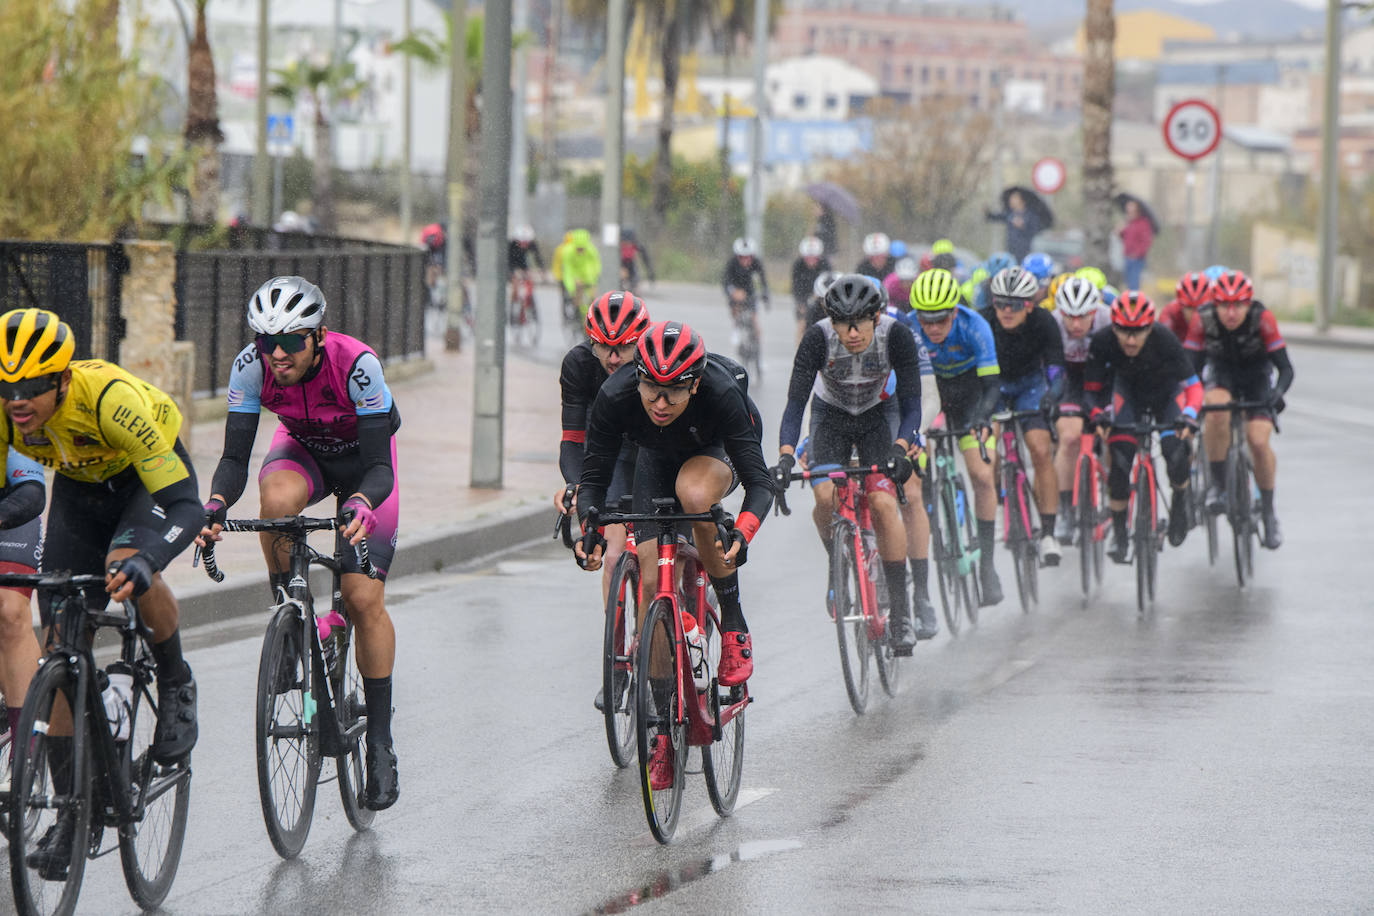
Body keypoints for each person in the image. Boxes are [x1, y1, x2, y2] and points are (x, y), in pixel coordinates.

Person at [0, 308, 203, 874]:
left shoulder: (111, 401)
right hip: (79, 493)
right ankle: (74, 812)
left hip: (144, 484)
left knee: (127, 566)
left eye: (34, 387)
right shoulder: (6, 412)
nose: (18, 401)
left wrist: (149, 558)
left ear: (63, 380)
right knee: (61, 651)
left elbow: (186, 504)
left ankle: (176, 679)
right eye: (7, 386)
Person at [199, 277, 402, 811]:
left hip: (364, 465)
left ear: (318, 336)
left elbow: (381, 466)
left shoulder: (357, 365)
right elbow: (235, 460)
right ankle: (289, 607)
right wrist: (216, 504)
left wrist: (359, 504)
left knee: (361, 599)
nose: (278, 354)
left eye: (291, 342)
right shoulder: (250, 367)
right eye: (268, 343)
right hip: (305, 450)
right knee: (275, 502)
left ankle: (379, 744)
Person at [573, 322, 771, 790]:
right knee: (647, 578)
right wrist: (590, 530)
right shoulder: (617, 394)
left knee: (694, 493)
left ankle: (734, 620)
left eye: (673, 393)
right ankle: (663, 726)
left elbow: (761, 484)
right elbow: (595, 478)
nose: (660, 403)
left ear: (695, 383)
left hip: (713, 450)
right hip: (655, 460)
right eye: (651, 390)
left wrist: (743, 530)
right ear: (637, 377)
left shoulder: (721, 392)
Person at [775, 275, 933, 648]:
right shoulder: (817, 338)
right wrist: (784, 456)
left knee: (881, 501)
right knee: (825, 498)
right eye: (842, 325)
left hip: (880, 414)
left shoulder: (896, 335)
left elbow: (912, 405)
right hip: (830, 416)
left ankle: (901, 611)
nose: (851, 333)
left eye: (859, 324)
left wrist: (899, 447)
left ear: (875, 318)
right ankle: (838, 565)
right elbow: (796, 403)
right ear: (831, 322)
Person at [555, 291, 651, 711]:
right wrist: (577, 486)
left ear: (641, 341)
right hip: (607, 452)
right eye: (604, 347)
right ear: (590, 341)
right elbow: (573, 442)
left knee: (662, 553)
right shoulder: (578, 365)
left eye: (624, 347)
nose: (613, 357)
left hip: (652, 451)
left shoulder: (656, 360)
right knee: (613, 558)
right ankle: (616, 668)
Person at [901, 269, 1005, 605]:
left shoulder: (976, 326)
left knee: (981, 474)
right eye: (925, 320)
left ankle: (987, 565)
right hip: (928, 392)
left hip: (971, 393)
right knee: (917, 465)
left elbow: (992, 386)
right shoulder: (906, 327)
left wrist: (981, 418)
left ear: (955, 312)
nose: (932, 328)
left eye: (941, 320)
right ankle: (930, 501)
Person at [1084, 292, 1203, 561]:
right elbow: (1090, 391)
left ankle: (1180, 501)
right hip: (1128, 397)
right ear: (1113, 326)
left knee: (1176, 454)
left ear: (1150, 327)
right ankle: (1120, 534)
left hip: (1165, 397)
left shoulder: (1165, 340)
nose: (1130, 339)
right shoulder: (1103, 341)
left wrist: (1188, 415)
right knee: (1121, 464)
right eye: (1123, 331)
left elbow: (1194, 387)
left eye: (1138, 332)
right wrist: (1098, 415)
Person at [1182, 270, 1294, 549]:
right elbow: (1188, 369)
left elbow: (1286, 368)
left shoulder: (1263, 319)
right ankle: (1218, 486)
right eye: (1224, 306)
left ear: (1248, 304)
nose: (1231, 313)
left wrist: (1278, 394)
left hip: (1257, 378)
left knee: (1258, 440)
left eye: (1238, 306)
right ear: (1214, 304)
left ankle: (1268, 512)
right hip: (1221, 375)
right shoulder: (1202, 319)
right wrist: (1189, 402)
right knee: (1216, 409)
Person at [981, 267, 1067, 565]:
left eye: (1015, 305)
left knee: (1041, 450)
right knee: (987, 452)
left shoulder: (1045, 322)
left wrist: (1051, 396)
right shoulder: (984, 320)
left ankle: (1049, 533)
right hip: (994, 386)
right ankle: (999, 505)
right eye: (1000, 303)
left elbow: (1056, 366)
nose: (1006, 310)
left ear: (1029, 304)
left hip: (1031, 386)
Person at [1050, 276, 1113, 545]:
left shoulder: (1109, 319)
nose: (1075, 325)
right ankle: (1065, 510)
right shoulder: (1052, 323)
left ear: (1095, 311)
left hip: (1105, 378)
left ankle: (1112, 494)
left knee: (1114, 433)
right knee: (1069, 437)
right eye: (1070, 317)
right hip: (1070, 380)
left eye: (1082, 317)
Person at [723, 237, 769, 352]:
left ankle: (758, 347)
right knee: (736, 308)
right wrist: (732, 292)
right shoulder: (732, 263)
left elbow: (763, 280)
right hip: (735, 288)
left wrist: (765, 294)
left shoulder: (757, 262)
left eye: (748, 257)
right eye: (742, 257)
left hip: (749, 289)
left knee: (754, 318)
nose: (745, 260)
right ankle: (736, 328)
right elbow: (725, 281)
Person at [791, 236, 833, 342]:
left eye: (814, 257)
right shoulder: (798, 265)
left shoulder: (826, 265)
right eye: (808, 257)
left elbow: (830, 283)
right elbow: (795, 287)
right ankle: (799, 352)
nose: (811, 260)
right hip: (804, 300)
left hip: (822, 300)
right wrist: (801, 303)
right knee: (802, 325)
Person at [985, 190, 1043, 262]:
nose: (1011, 201)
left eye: (1014, 198)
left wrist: (1023, 226)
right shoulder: (1010, 213)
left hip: (1024, 250)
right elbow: (998, 217)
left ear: (1021, 200)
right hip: (1010, 248)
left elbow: (1035, 230)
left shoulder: (1030, 215)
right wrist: (988, 214)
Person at [559, 229, 602, 322]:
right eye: (578, 248)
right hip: (575, 277)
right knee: (578, 296)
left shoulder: (591, 250)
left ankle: (592, 317)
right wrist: (571, 287)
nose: (580, 251)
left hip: (587, 276)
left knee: (593, 297)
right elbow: (567, 271)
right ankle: (576, 315)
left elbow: (595, 265)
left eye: (582, 248)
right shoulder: (568, 252)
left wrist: (594, 279)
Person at [1159, 271, 1212, 341]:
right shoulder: (1171, 313)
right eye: (1190, 308)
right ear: (1180, 305)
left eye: (1201, 308)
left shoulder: (1219, 316)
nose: (1195, 314)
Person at [1119, 198, 1155, 291]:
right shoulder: (1129, 223)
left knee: (1134, 283)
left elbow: (1146, 241)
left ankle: (1133, 303)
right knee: (1128, 283)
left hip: (1137, 258)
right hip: (1127, 256)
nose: (1129, 212)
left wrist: (1137, 253)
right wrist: (1120, 230)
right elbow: (1125, 237)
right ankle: (1129, 301)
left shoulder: (1143, 223)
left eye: (1131, 209)